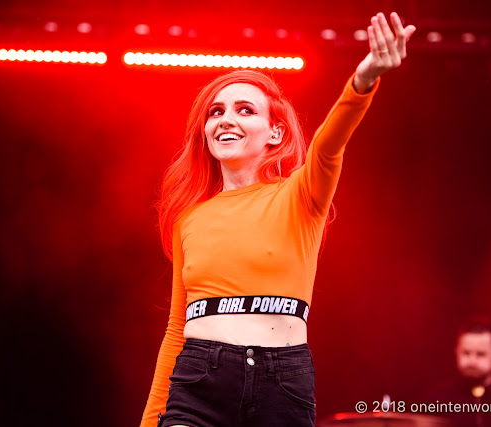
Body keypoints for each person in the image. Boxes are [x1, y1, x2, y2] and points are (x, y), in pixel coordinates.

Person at [141, 11, 416, 427]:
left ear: (276, 133)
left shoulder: (300, 195)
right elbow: (176, 328)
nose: (226, 119)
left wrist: (363, 80)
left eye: (245, 109)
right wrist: (149, 421)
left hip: (280, 382)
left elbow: (329, 146)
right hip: (197, 379)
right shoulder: (190, 217)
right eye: (215, 112)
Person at [424, 319, 491, 427]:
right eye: (466, 353)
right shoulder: (436, 401)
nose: (472, 361)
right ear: (457, 353)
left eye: (480, 354)